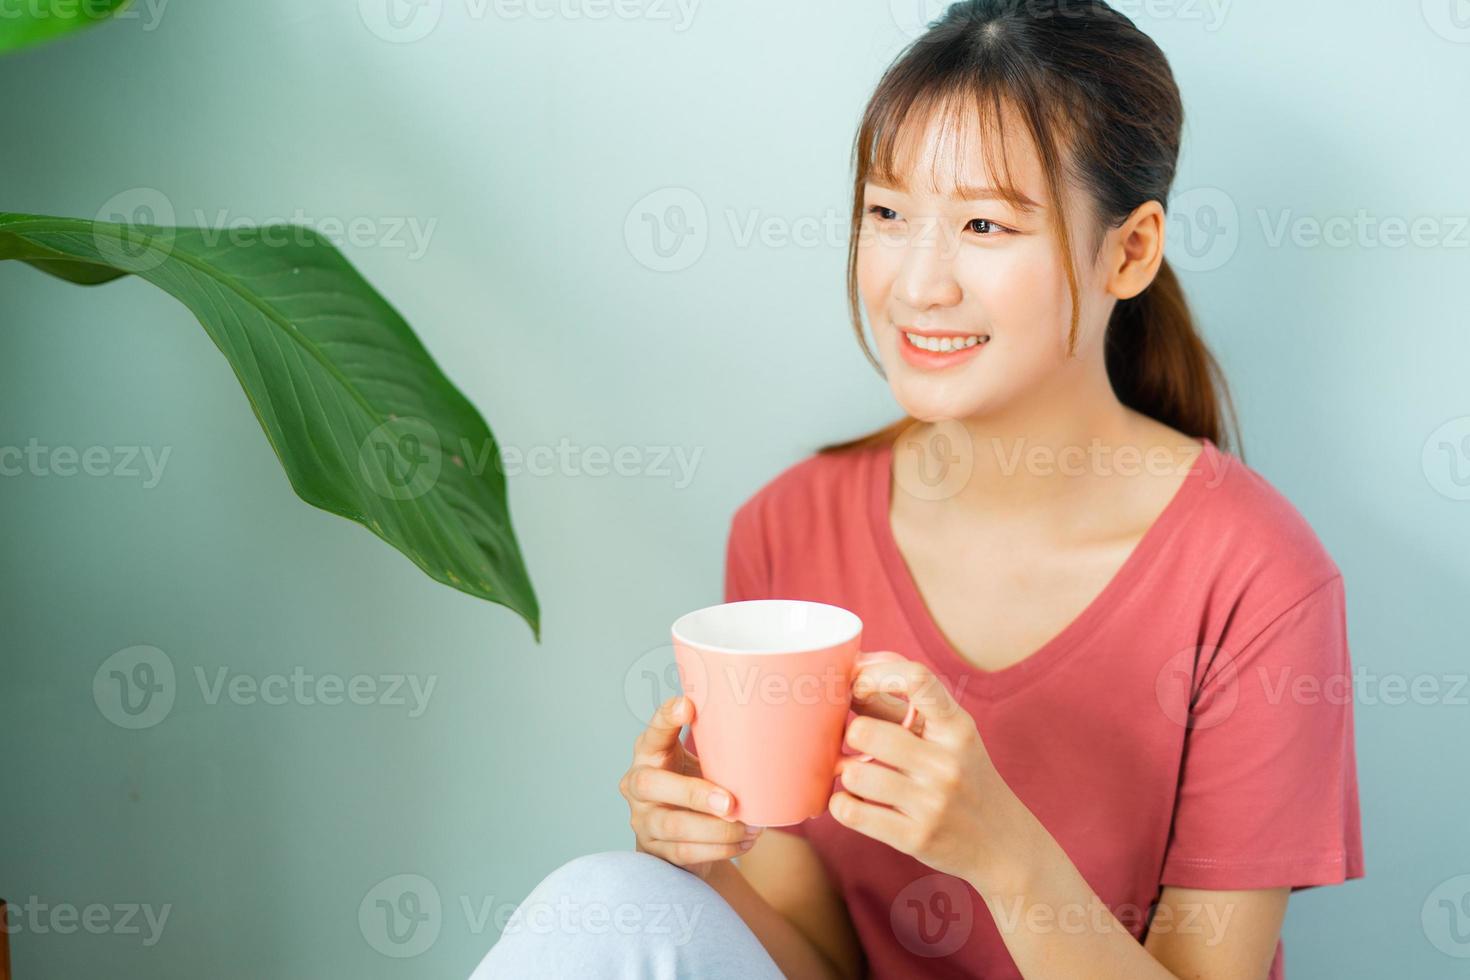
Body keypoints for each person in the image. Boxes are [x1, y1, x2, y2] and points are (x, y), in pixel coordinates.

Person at [471, 1, 1364, 976]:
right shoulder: (788, 527)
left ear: (1132, 250)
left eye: (984, 222)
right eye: (889, 214)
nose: (917, 284)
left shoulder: (1257, 577)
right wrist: (704, 856)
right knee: (603, 903)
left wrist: (1000, 851)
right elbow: (821, 958)